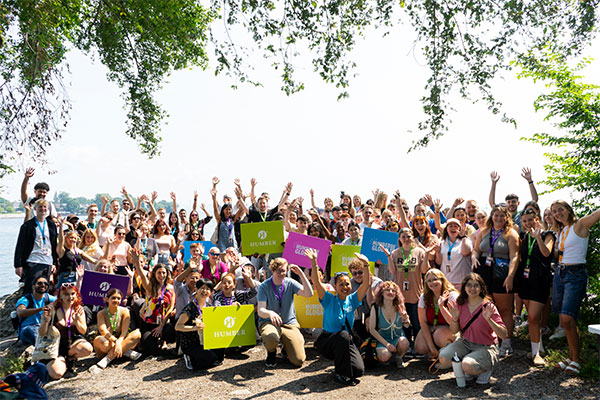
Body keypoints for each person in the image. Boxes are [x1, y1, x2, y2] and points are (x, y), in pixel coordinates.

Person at [550, 200, 600, 375]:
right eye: (554, 211)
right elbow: (559, 253)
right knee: (565, 319)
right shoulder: (562, 231)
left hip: (575, 274)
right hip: (560, 273)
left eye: (560, 210)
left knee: (568, 318)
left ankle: (577, 359)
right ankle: (571, 357)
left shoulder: (580, 224)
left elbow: (596, 214)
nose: (557, 213)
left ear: (568, 210)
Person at [309, 250, 370, 386]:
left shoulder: (352, 299)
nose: (345, 287)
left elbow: (365, 285)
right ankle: (341, 374)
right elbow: (317, 283)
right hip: (327, 342)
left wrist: (366, 265)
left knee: (358, 371)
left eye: (347, 284)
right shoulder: (328, 299)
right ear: (335, 286)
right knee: (342, 335)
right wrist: (314, 263)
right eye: (341, 284)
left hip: (345, 341)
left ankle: (344, 368)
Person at [439, 273, 508, 385]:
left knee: (467, 365)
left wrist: (489, 320)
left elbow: (504, 334)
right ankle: (470, 367)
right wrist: (455, 319)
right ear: (464, 287)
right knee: (444, 357)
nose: (472, 288)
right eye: (469, 285)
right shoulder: (460, 304)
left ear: (481, 288)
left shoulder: (488, 307)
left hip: (485, 346)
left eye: (476, 285)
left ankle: (484, 368)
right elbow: (454, 331)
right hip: (466, 343)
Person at [472, 204, 519, 357]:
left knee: (505, 309)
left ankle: (506, 341)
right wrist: (474, 258)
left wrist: (510, 276)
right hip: (484, 272)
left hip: (502, 272)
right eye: (496, 215)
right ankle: (488, 339)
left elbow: (515, 257)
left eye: (502, 215)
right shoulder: (484, 231)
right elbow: (477, 250)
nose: (499, 218)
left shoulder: (511, 234)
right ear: (491, 216)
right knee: (486, 307)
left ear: (507, 217)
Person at [513, 209, 555, 367]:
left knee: (532, 317)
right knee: (533, 319)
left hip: (540, 280)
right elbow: (521, 257)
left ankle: (536, 353)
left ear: (536, 219)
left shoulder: (548, 235)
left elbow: (546, 253)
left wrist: (538, 237)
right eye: (524, 221)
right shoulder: (523, 237)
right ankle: (537, 347)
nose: (527, 224)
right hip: (525, 280)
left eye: (530, 220)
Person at [257, 257, 313, 368]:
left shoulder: (290, 283)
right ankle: (271, 353)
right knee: (270, 337)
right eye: (279, 271)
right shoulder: (264, 286)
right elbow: (260, 310)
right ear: (272, 270)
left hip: (289, 323)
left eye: (284, 271)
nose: (282, 273)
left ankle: (286, 348)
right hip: (269, 322)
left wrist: (301, 274)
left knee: (299, 360)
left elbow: (309, 294)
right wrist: (270, 313)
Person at [384, 228, 430, 349]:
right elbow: (393, 271)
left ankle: (419, 345)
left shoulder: (419, 252)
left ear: (412, 237)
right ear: (399, 239)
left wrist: (426, 256)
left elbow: (424, 270)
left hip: (415, 294)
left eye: (408, 236)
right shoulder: (395, 253)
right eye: (403, 237)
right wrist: (388, 256)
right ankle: (407, 345)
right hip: (400, 295)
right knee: (404, 322)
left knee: (416, 322)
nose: (406, 239)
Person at [39, 283, 93, 379]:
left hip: (72, 342)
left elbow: (83, 331)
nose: (70, 297)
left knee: (88, 348)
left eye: (72, 294)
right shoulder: (52, 309)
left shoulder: (78, 308)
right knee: (57, 374)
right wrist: (45, 321)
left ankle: (69, 358)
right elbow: (41, 333)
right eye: (66, 294)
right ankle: (56, 362)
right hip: (55, 345)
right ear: (60, 296)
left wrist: (76, 321)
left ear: (76, 295)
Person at [175, 279, 225, 370]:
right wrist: (194, 327)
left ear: (211, 292)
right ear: (196, 290)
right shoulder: (190, 308)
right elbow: (178, 326)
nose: (204, 291)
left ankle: (201, 357)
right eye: (202, 288)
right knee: (209, 360)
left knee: (220, 357)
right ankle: (189, 357)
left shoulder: (209, 306)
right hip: (191, 342)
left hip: (205, 340)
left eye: (207, 289)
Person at [133, 254, 176, 356]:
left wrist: (161, 326)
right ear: (155, 274)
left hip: (163, 322)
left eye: (164, 273)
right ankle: (156, 342)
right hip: (149, 323)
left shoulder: (170, 288)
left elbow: (170, 308)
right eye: (159, 273)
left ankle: (163, 341)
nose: (162, 275)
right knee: (150, 348)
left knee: (170, 333)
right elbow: (142, 276)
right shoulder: (150, 287)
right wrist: (137, 263)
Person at [14, 199, 59, 293]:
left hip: (47, 261)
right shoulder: (27, 226)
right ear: (35, 209)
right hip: (33, 261)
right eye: (40, 207)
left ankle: (42, 307)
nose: (42, 209)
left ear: (48, 209)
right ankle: (27, 307)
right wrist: (18, 265)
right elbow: (20, 246)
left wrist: (54, 262)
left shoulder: (51, 225)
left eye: (45, 207)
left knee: (45, 289)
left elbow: (54, 244)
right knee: (32, 288)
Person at [415, 269, 458, 359]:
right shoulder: (424, 297)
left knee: (438, 335)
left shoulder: (452, 296)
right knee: (420, 347)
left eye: (435, 279)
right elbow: (423, 323)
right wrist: (431, 347)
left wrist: (442, 307)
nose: (432, 283)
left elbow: (455, 323)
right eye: (429, 280)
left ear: (442, 280)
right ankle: (435, 352)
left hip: (449, 329)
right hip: (431, 327)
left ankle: (450, 354)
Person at [94, 289, 142, 369]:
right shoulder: (101, 313)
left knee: (137, 333)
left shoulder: (125, 311)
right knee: (99, 340)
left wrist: (119, 343)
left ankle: (109, 358)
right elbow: (103, 331)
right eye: (113, 298)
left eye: (118, 298)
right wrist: (116, 342)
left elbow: (124, 331)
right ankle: (126, 351)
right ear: (107, 299)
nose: (116, 300)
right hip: (109, 343)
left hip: (121, 340)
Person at [369, 281, 410, 367]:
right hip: (383, 340)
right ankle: (391, 358)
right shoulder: (376, 307)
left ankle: (398, 357)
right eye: (387, 290)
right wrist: (387, 344)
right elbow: (372, 329)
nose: (391, 292)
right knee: (384, 356)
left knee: (404, 342)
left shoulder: (399, 306)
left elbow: (406, 325)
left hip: (397, 338)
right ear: (382, 293)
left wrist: (406, 320)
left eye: (393, 290)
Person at [433, 218, 473, 290]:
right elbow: (439, 262)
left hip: (462, 281)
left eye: (456, 226)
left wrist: (463, 237)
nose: (453, 228)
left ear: (460, 229)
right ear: (446, 229)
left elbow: (465, 252)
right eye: (450, 226)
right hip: (447, 281)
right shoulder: (442, 242)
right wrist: (438, 252)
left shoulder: (466, 240)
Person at [15, 276, 57, 345]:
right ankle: (43, 345)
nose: (43, 285)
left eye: (45, 283)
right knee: (32, 331)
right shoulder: (25, 299)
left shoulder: (48, 297)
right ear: (33, 286)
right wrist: (40, 309)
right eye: (39, 283)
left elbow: (60, 301)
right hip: (27, 328)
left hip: (43, 327)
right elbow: (20, 313)